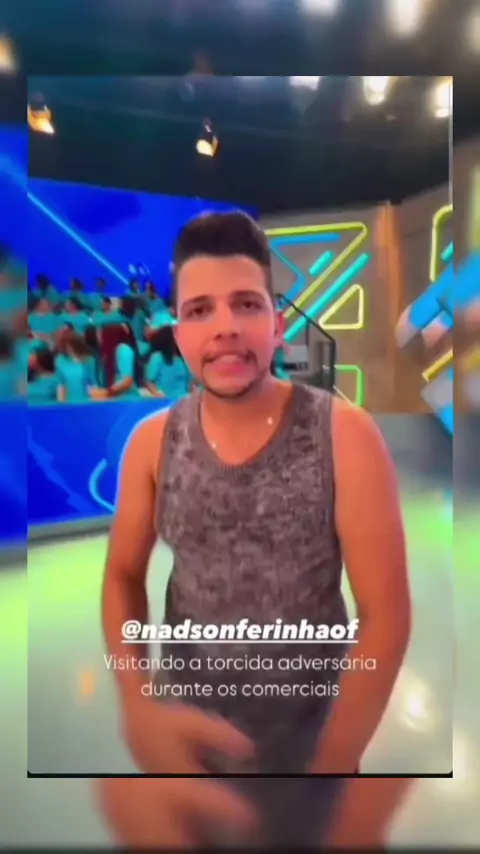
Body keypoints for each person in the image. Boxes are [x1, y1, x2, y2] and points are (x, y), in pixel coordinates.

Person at [102, 211, 411, 847]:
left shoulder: (344, 435)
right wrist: (135, 702)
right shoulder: (152, 445)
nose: (225, 327)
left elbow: (385, 615)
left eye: (246, 304)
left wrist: (330, 771)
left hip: (316, 749)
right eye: (200, 310)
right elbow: (122, 575)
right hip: (191, 754)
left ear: (277, 323)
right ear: (177, 332)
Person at [90, 323, 141, 400]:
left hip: (128, 399)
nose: (99, 340)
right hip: (114, 398)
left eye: (101, 336)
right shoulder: (106, 356)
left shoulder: (124, 350)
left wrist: (107, 393)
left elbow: (127, 381)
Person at [144, 326, 191, 400]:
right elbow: (149, 382)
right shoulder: (158, 357)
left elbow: (190, 382)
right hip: (165, 400)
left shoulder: (183, 359)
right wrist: (157, 393)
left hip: (184, 399)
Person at [56, 329, 98, 403]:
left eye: (71, 346)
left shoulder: (90, 360)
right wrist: (61, 405)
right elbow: (61, 384)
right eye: (66, 346)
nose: (69, 349)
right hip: (68, 401)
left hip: (86, 400)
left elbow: (93, 383)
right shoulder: (60, 360)